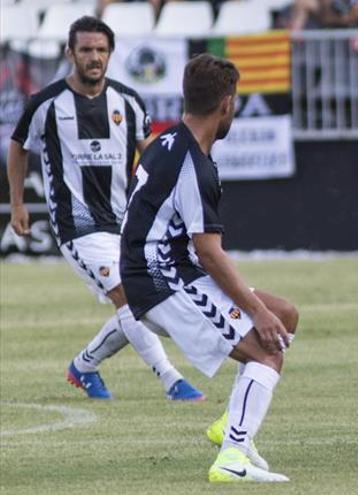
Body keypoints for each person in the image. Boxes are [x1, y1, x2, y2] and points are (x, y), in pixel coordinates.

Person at [120, 53, 298, 483]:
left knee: (285, 314)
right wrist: (255, 310)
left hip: (164, 269)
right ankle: (232, 458)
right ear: (227, 105)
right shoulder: (192, 165)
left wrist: (263, 308)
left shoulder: (165, 142)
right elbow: (209, 252)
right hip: (162, 280)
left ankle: (229, 427)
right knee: (268, 346)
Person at [7, 16, 203, 401]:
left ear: (110, 54)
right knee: (130, 297)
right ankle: (171, 380)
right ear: (70, 53)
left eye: (100, 50)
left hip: (124, 222)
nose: (93, 57)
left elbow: (151, 158)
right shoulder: (46, 103)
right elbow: (18, 147)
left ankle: (83, 366)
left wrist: (172, 204)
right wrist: (17, 203)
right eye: (85, 50)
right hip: (76, 225)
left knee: (140, 300)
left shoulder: (127, 100)